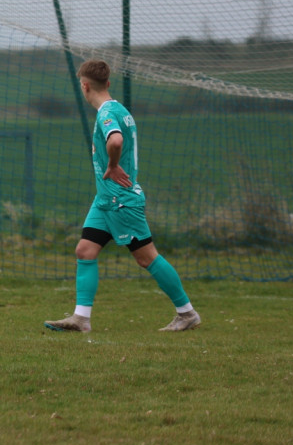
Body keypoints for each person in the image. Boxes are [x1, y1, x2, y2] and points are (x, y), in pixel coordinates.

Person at [44, 59, 201, 333]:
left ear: (84, 86)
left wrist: (113, 165)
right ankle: (81, 319)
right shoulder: (119, 109)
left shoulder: (106, 113)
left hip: (120, 200)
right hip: (105, 200)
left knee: (146, 258)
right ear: (107, 83)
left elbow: (115, 140)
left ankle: (186, 313)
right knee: (85, 250)